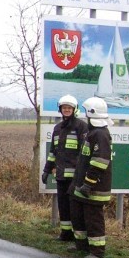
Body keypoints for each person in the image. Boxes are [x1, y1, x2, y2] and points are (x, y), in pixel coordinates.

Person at [70, 97, 113, 258]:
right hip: (84, 185)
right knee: (79, 215)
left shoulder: (100, 134)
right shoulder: (93, 132)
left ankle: (97, 251)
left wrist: (88, 183)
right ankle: (82, 245)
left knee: (93, 219)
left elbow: (99, 162)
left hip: (94, 187)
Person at [42, 95, 88, 241]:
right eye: (64, 108)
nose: (66, 110)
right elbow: (53, 152)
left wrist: (81, 174)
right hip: (61, 176)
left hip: (75, 177)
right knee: (63, 206)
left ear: (74, 110)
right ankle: (66, 233)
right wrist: (46, 170)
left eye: (69, 108)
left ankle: (78, 236)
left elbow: (84, 152)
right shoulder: (57, 128)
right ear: (60, 110)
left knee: (75, 207)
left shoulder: (81, 127)